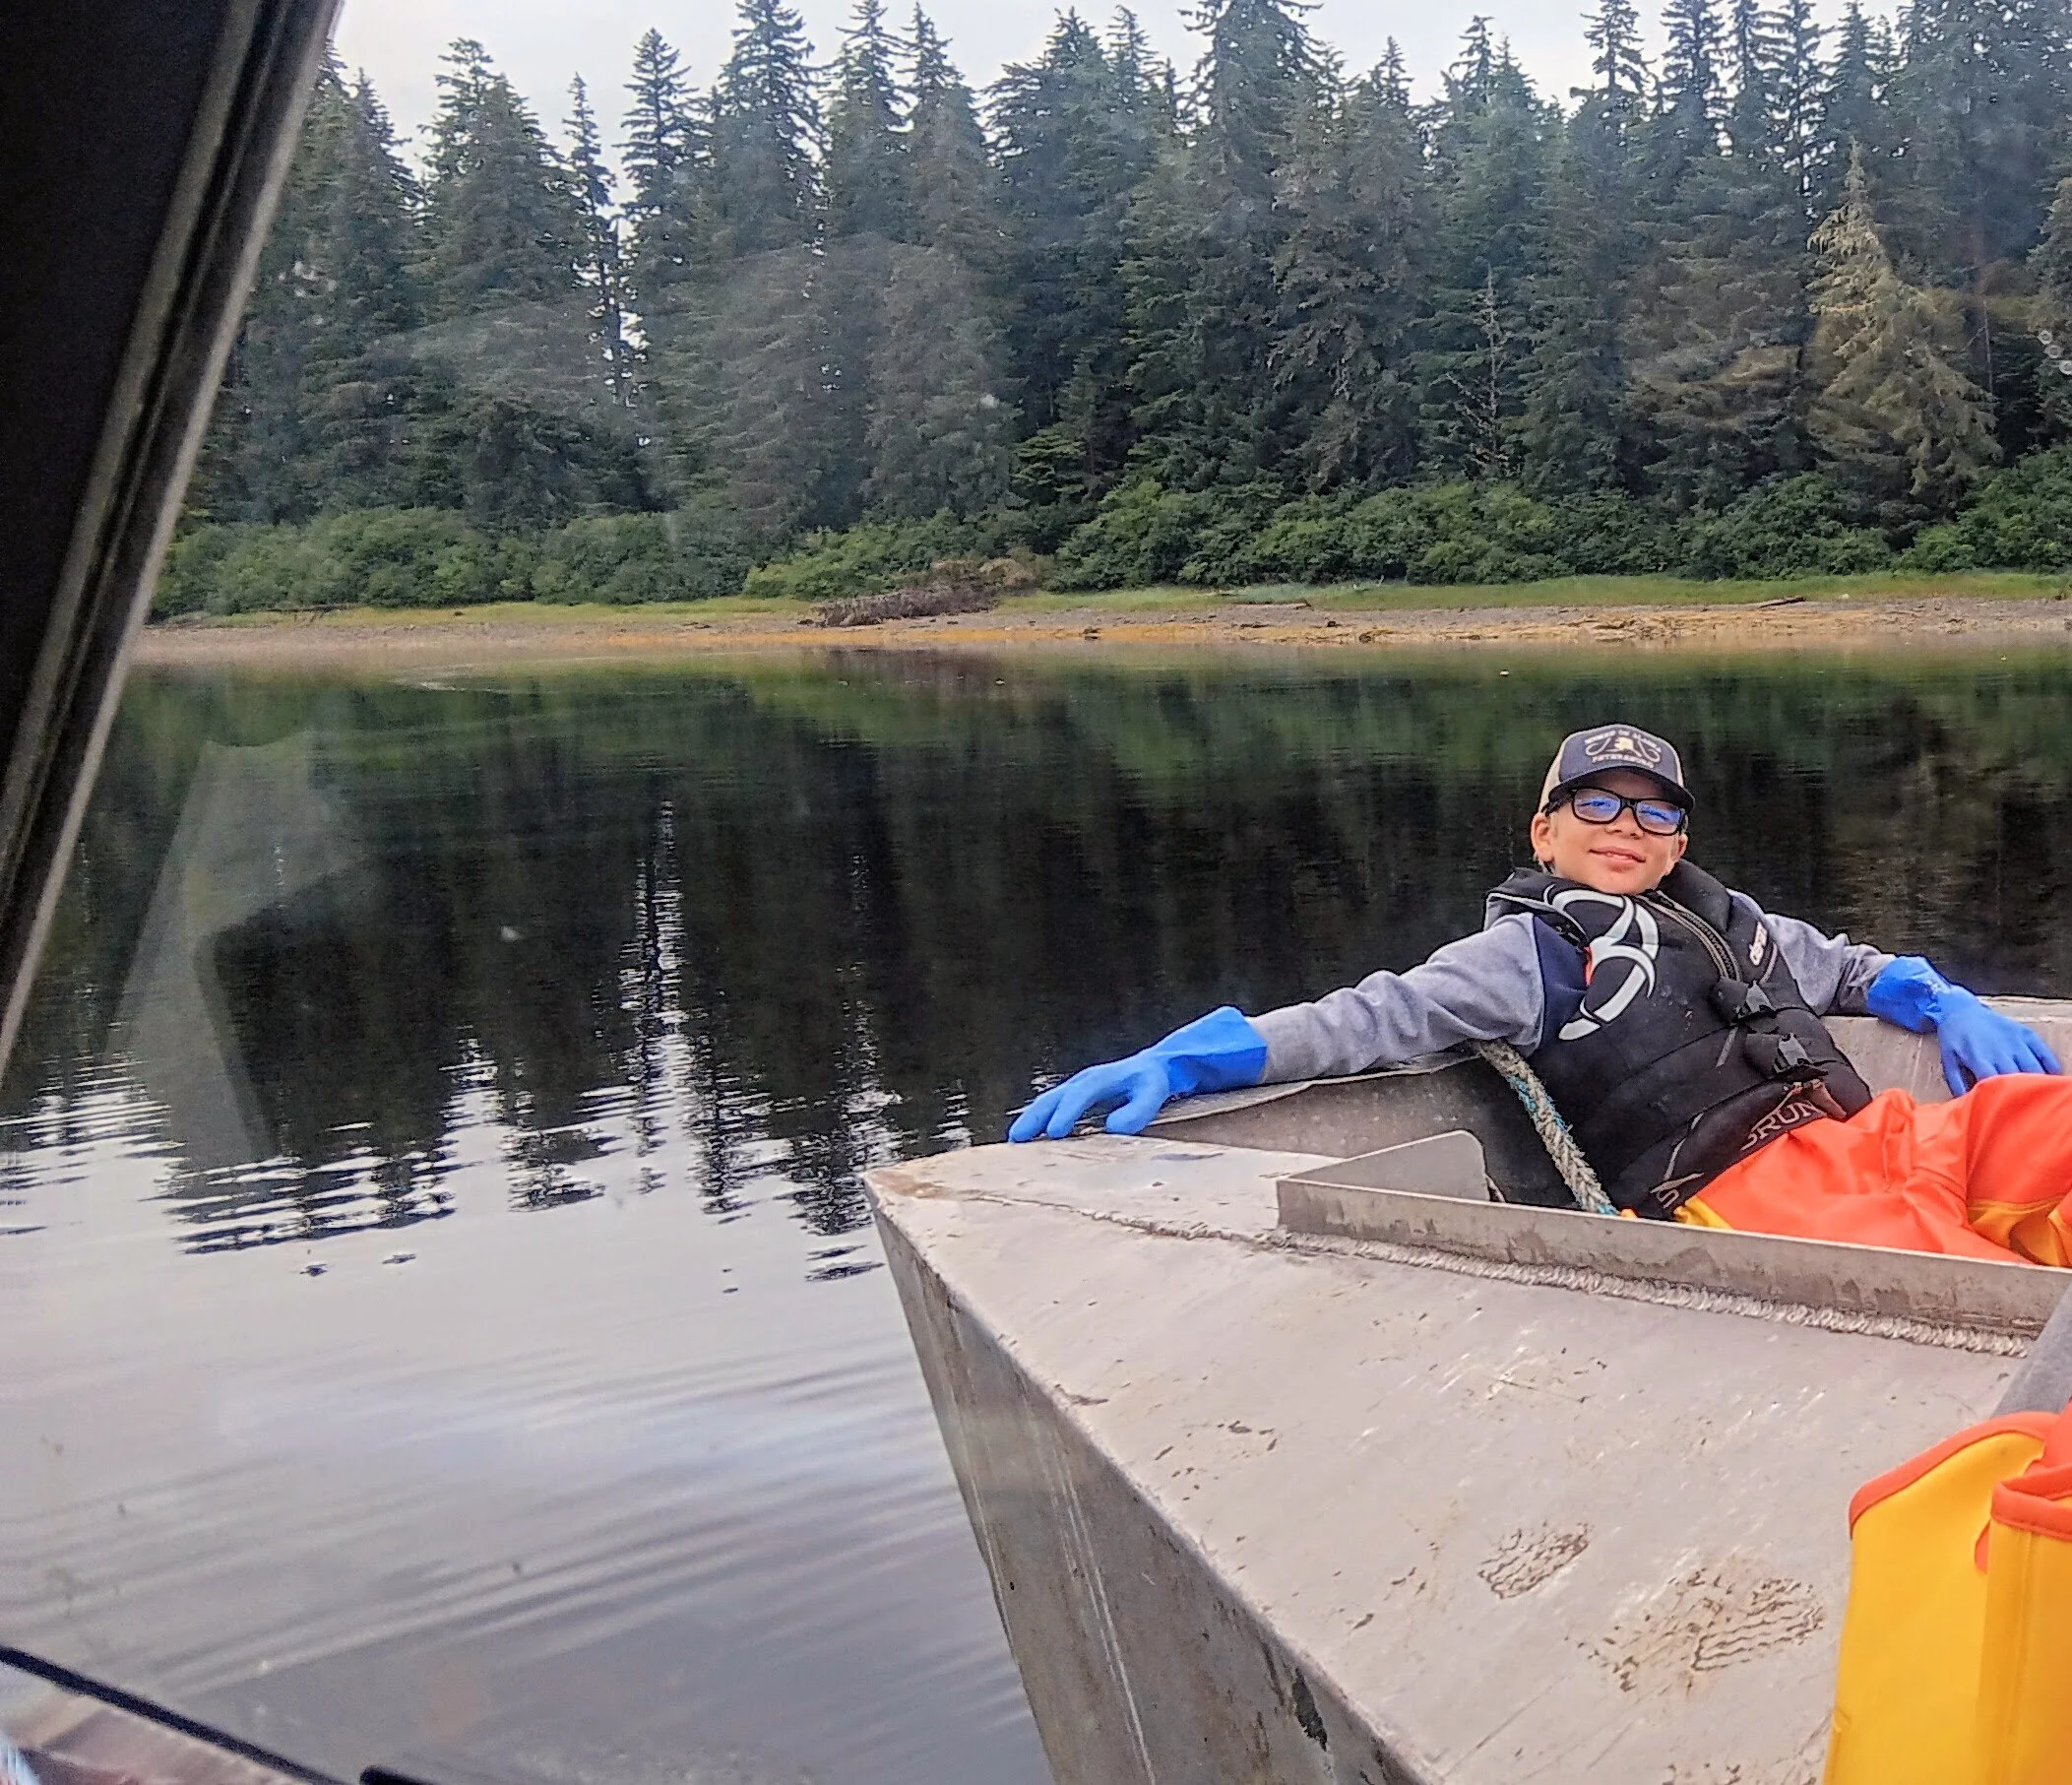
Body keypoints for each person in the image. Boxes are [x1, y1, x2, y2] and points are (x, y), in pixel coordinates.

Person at [1009, 722, 2072, 1265]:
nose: (1624, 826)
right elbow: (1368, 1018)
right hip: (1743, 1198)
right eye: (1595, 803)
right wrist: (1189, 1056)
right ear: (1543, 832)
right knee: (1981, 1301)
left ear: (1677, 843)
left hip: (1878, 1133)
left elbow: (1852, 968)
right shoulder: (1529, 955)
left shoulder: (1731, 917)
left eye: (1652, 814)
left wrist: (1939, 1000)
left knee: (2050, 1124)